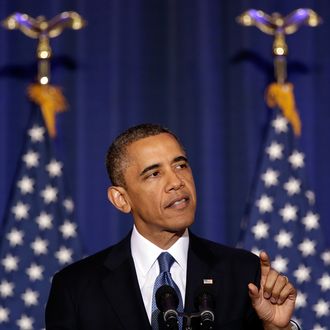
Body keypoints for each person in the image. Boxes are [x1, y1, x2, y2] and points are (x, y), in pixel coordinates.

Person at [45, 123, 299, 330]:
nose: (177, 181)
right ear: (121, 199)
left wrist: (277, 328)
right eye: (154, 174)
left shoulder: (244, 273)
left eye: (180, 165)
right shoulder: (75, 288)